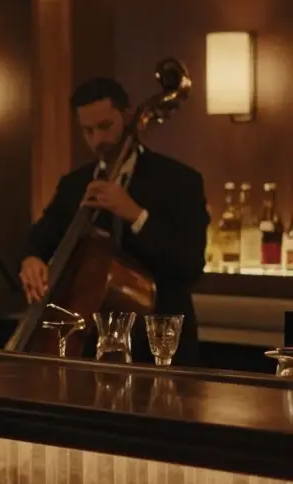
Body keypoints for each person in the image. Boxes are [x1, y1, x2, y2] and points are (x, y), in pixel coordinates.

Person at [20, 77, 209, 365]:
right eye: (88, 131)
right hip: (88, 349)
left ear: (127, 115)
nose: (99, 140)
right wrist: (31, 258)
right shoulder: (76, 184)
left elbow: (189, 264)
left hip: (160, 349)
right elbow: (41, 234)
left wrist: (135, 214)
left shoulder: (180, 181)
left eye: (105, 126)